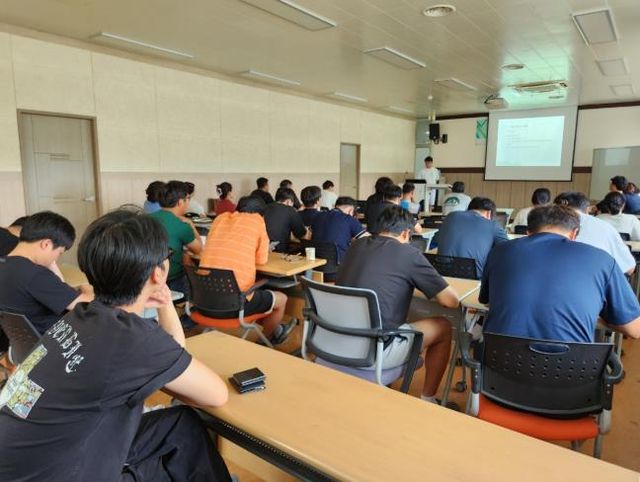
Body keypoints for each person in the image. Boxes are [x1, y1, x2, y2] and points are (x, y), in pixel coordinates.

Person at [0, 210, 231, 481]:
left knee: (180, 423)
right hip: (60, 474)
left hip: (24, 462)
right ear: (159, 272)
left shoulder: (80, 316)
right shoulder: (132, 339)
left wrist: (165, 302)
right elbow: (216, 395)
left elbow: (171, 358)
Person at [336, 206, 460, 403]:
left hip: (335, 339)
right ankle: (428, 399)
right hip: (373, 350)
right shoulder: (408, 253)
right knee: (443, 326)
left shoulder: (356, 245)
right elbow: (451, 301)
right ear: (405, 233)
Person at [480, 205, 640, 342]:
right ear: (574, 233)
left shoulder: (500, 251)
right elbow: (634, 329)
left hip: (500, 360)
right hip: (572, 365)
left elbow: (487, 301)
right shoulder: (602, 260)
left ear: (528, 232)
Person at [200, 196, 295, 345]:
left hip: (203, 302)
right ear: (261, 213)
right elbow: (261, 260)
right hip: (234, 306)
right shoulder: (257, 221)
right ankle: (265, 341)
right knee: (281, 299)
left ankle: (276, 329)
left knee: (257, 297)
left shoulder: (220, 219)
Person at [0, 211, 93, 335]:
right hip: (55, 340)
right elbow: (87, 303)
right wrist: (87, 288)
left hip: (23, 342)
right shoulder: (34, 274)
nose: (56, 259)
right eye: (59, 253)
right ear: (46, 244)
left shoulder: (5, 265)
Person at [555, 192, 635, 275]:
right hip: (592, 279)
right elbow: (629, 268)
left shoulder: (546, 226)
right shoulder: (605, 227)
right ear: (587, 209)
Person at [150, 181, 203, 296]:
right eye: (187, 199)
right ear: (180, 202)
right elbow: (199, 249)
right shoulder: (181, 225)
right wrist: (191, 225)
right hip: (172, 278)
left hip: (147, 277)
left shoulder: (146, 219)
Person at [437, 197, 509, 278]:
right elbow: (508, 250)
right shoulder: (493, 225)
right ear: (489, 213)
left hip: (442, 274)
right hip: (473, 277)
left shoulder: (450, 216)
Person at [311, 196, 366, 263]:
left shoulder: (317, 216)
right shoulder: (349, 219)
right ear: (351, 210)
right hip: (338, 263)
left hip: (315, 262)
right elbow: (368, 239)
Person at [263, 188, 308, 253]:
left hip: (261, 249)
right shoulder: (290, 210)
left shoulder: (265, 207)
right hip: (278, 251)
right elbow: (301, 234)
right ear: (288, 201)